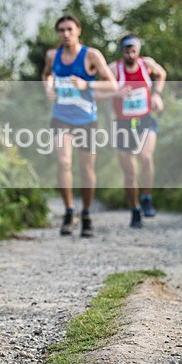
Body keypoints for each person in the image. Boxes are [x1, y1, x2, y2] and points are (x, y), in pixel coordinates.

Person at [42, 15, 117, 238]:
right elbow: (46, 74)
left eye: (69, 29)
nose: (65, 34)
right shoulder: (52, 55)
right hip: (61, 117)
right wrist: (48, 87)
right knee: (64, 162)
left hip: (86, 120)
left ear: (78, 31)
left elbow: (113, 84)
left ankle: (86, 213)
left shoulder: (91, 55)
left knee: (86, 169)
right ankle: (68, 211)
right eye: (61, 30)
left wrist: (87, 84)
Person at [104, 34, 166, 228]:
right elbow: (98, 89)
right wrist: (115, 93)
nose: (130, 54)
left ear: (138, 51)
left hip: (144, 120)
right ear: (121, 51)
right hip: (123, 124)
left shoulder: (146, 64)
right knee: (130, 173)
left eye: (134, 51)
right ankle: (135, 209)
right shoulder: (114, 69)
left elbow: (162, 74)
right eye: (126, 51)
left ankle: (146, 196)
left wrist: (157, 95)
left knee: (146, 157)